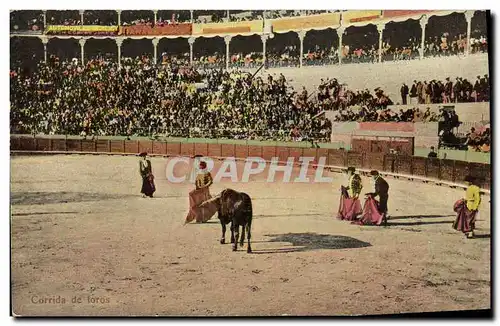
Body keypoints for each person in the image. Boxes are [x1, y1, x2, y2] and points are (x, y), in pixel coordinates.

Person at [185, 160, 217, 224]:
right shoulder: (199, 173)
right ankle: (200, 218)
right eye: (200, 165)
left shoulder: (207, 173)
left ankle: (203, 218)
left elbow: (210, 181)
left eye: (201, 165)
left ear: (203, 166)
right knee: (198, 203)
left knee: (204, 204)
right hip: (200, 191)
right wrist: (197, 187)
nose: (200, 166)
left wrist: (205, 186)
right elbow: (197, 182)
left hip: (205, 191)